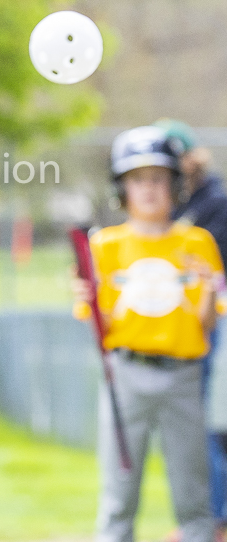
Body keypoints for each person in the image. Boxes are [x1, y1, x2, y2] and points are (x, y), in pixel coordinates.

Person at [73, 125, 223, 542]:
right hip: (126, 374)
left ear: (175, 184)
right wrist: (86, 293)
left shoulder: (197, 242)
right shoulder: (105, 246)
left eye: (158, 178)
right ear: (121, 188)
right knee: (119, 496)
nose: (149, 189)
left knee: (194, 498)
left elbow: (207, 323)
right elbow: (95, 322)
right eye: (138, 179)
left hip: (182, 376)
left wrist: (210, 292)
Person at [157, 119, 227, 539]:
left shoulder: (214, 203)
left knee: (206, 424)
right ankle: (199, 520)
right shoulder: (173, 206)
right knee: (184, 428)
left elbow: (207, 274)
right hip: (174, 331)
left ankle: (216, 520)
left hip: (211, 328)